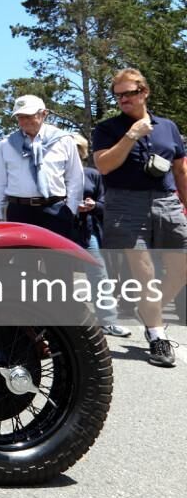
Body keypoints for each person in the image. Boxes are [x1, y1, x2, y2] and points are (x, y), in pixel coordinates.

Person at [92, 68, 186, 367]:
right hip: (125, 204)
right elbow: (105, 166)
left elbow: (180, 169)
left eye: (129, 94)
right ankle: (157, 337)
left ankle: (150, 310)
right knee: (143, 273)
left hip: (166, 201)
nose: (123, 100)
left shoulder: (168, 127)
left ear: (144, 92)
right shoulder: (107, 129)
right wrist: (131, 136)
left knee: (181, 268)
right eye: (118, 95)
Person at [0, 95, 82, 241]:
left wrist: (71, 210)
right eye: (20, 117)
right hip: (19, 212)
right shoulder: (6, 144)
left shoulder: (64, 140)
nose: (24, 121)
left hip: (55, 210)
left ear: (44, 114)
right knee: (23, 262)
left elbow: (75, 177)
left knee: (58, 261)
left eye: (29, 116)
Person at [72, 133, 131, 338]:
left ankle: (108, 321)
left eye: (76, 148)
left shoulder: (93, 175)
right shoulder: (53, 174)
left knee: (99, 275)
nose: (72, 152)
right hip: (59, 230)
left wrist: (93, 205)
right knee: (56, 277)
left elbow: (106, 204)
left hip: (87, 232)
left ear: (82, 152)